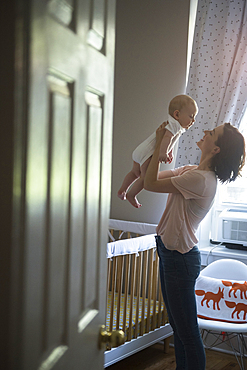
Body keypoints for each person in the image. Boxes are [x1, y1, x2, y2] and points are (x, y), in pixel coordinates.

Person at [144, 122, 245, 370]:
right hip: (171, 254)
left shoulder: (199, 180)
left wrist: (160, 144)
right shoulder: (192, 172)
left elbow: (150, 183)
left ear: (216, 149)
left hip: (179, 259)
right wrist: (159, 148)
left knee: (187, 332)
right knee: (179, 328)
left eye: (211, 133)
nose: (205, 133)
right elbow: (148, 175)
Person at [117, 95, 198, 208]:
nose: (193, 120)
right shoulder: (174, 125)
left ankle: (122, 190)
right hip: (148, 154)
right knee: (145, 178)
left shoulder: (175, 126)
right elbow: (166, 138)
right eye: (191, 116)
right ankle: (131, 195)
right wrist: (163, 153)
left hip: (140, 151)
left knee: (134, 172)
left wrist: (170, 152)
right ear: (177, 114)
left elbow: (170, 140)